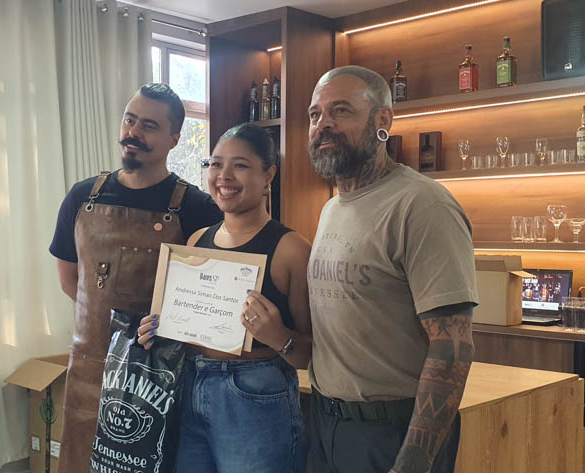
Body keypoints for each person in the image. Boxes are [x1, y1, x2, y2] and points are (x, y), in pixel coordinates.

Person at [303, 65, 480, 473]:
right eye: (315, 115)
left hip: (393, 433)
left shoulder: (422, 205)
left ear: (382, 120)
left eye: (341, 111)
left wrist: (414, 460)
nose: (323, 124)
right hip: (328, 425)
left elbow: (452, 348)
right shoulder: (331, 208)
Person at [49, 83, 222, 471]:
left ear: (174, 139)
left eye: (149, 126)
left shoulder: (197, 208)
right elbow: (69, 280)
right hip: (91, 369)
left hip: (160, 378)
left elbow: (208, 299)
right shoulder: (82, 197)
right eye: (130, 120)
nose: (133, 133)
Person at [136, 123, 312, 473]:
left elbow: (312, 354)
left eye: (240, 165)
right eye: (215, 164)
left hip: (255, 396)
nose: (224, 176)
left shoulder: (291, 250)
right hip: (189, 387)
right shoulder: (196, 241)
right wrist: (157, 330)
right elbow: (186, 328)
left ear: (268, 175)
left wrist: (279, 337)